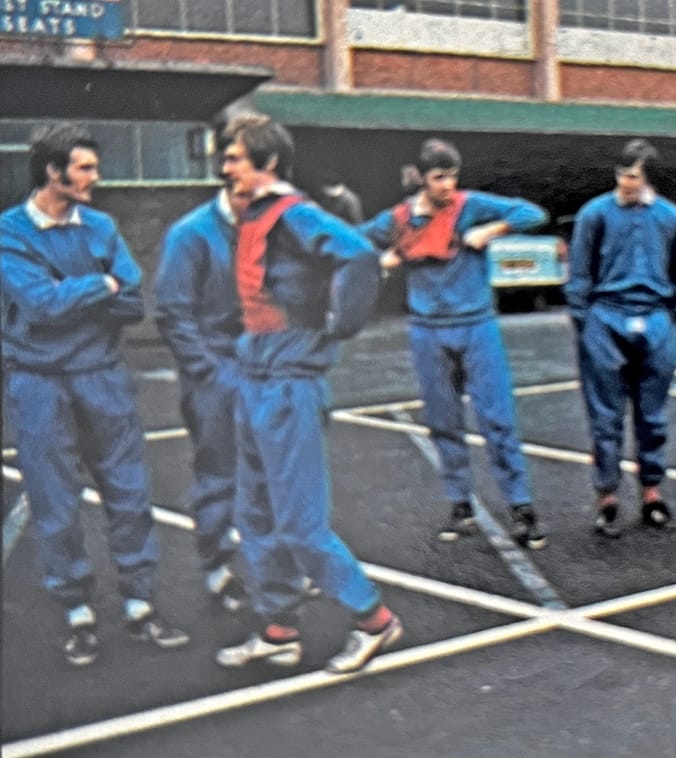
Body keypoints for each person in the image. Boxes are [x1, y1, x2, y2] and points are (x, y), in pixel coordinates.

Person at [214, 114, 402, 673]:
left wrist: (337, 326)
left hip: (289, 383)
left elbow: (358, 255)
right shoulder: (252, 218)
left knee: (299, 522)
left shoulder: (293, 214)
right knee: (257, 515)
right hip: (256, 380)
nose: (225, 166)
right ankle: (278, 630)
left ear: (267, 165)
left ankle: (376, 621)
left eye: (236, 157)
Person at [0, 122, 189, 666]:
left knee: (129, 493)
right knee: (55, 501)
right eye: (84, 168)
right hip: (38, 381)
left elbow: (131, 300)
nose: (94, 177)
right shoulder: (11, 232)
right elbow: (40, 305)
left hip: (102, 375)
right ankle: (77, 613)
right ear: (52, 172)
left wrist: (78, 294)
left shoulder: (100, 226)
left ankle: (139, 604)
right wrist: (97, 286)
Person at [360, 139, 549, 549]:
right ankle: (460, 505)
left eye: (453, 176)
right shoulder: (398, 218)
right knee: (443, 423)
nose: (448, 185)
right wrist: (380, 259)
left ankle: (521, 507)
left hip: (477, 325)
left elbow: (533, 213)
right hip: (428, 329)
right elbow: (353, 240)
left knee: (497, 418)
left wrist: (492, 229)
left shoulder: (470, 206)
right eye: (439, 177)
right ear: (422, 178)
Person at [566, 139, 676, 538]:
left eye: (634, 175)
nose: (625, 181)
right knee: (605, 416)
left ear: (648, 177)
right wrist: (584, 320)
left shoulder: (670, 217)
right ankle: (607, 498)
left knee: (652, 416)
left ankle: (652, 494)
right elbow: (580, 271)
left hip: (654, 316)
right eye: (621, 173)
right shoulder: (595, 214)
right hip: (607, 315)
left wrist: (675, 311)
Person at [153, 176, 253, 614]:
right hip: (215, 368)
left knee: (272, 469)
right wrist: (207, 370)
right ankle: (218, 569)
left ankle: (273, 567)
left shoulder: (269, 226)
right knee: (218, 472)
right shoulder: (190, 234)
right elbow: (171, 311)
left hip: (261, 364)